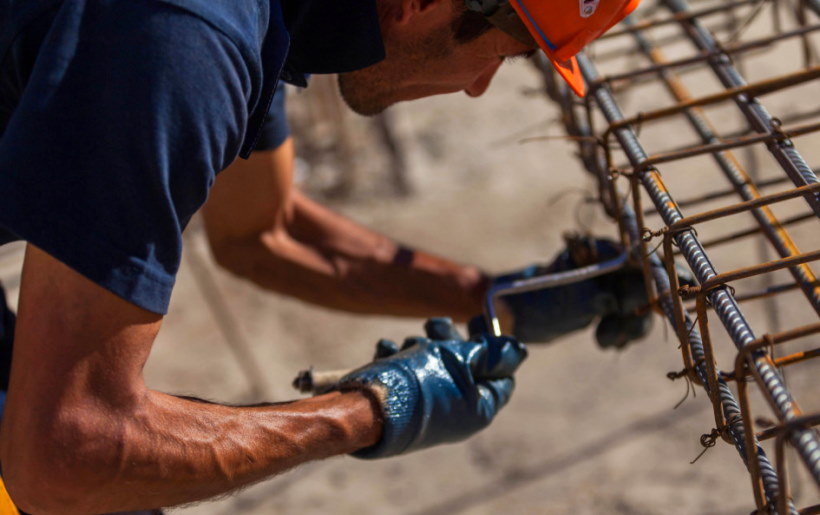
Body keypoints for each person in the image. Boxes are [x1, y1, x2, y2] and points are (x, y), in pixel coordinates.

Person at [0, 0, 640, 513]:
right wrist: (366, 413)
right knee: (101, 478)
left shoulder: (258, 20)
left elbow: (265, 233)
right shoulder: (185, 41)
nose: (478, 87)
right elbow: (64, 454)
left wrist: (494, 299)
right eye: (499, 55)